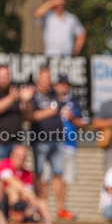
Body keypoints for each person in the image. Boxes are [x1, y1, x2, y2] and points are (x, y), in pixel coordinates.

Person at [22, 68, 67, 216]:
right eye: (44, 79)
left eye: (49, 79)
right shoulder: (33, 96)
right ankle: (42, 208)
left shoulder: (54, 95)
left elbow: (65, 95)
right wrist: (49, 112)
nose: (47, 82)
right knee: (40, 175)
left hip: (57, 140)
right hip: (40, 141)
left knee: (58, 174)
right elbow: (29, 116)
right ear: (37, 81)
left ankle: (61, 209)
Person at [54, 74, 88, 218]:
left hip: (69, 144)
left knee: (65, 178)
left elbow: (85, 123)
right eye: (60, 84)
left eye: (65, 84)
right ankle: (56, 208)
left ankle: (61, 208)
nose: (62, 87)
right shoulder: (49, 100)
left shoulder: (75, 102)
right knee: (53, 176)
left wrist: (72, 117)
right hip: (51, 143)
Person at [0, 65, 26, 164]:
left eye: (6, 77)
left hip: (16, 142)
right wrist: (12, 97)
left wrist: (26, 100)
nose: (3, 80)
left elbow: (26, 114)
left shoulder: (16, 92)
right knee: (0, 174)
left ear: (10, 77)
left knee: (15, 174)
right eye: (1, 77)